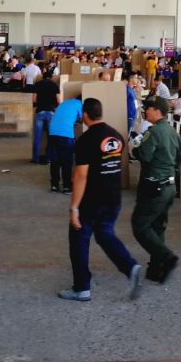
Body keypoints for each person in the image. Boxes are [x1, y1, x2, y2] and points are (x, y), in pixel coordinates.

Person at [59, 99, 143, 302]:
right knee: (105, 233)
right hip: (113, 196)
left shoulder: (86, 140)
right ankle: (130, 267)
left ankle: (82, 288)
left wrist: (74, 208)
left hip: (92, 200)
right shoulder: (116, 135)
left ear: (85, 115)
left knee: (79, 238)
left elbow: (80, 176)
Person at [130, 95, 181, 283]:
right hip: (168, 186)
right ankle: (156, 266)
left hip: (154, 185)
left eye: (148, 108)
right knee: (158, 226)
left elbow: (144, 155)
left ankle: (167, 257)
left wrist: (134, 148)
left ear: (157, 111)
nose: (145, 111)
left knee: (140, 225)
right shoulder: (173, 132)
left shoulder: (153, 132)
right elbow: (178, 161)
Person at [48, 94, 86, 193]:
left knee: (55, 161)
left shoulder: (64, 103)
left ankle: (54, 185)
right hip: (65, 135)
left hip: (52, 133)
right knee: (67, 162)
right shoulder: (79, 104)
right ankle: (67, 187)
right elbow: (84, 119)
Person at [30, 64, 60, 164]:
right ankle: (48, 159)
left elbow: (34, 99)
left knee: (37, 137)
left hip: (40, 112)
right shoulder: (55, 85)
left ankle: (35, 159)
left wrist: (36, 105)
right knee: (51, 137)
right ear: (51, 77)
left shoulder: (37, 85)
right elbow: (59, 100)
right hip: (51, 112)